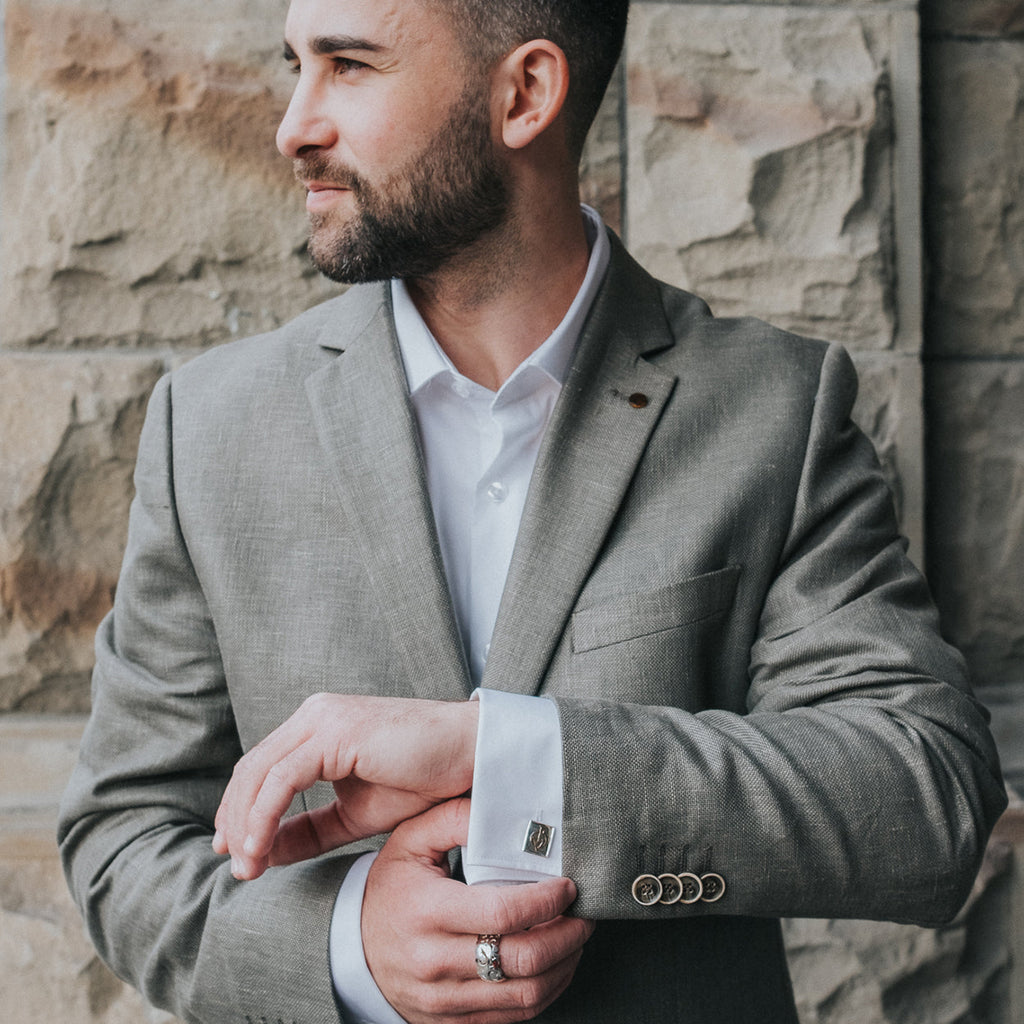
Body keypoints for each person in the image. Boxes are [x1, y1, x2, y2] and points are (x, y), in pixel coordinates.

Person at [59, 0, 1007, 1022]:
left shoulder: (774, 409)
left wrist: (512, 759)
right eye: (295, 63)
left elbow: (926, 800)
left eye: (348, 65)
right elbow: (122, 840)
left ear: (525, 94)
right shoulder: (208, 425)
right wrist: (346, 946)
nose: (294, 123)